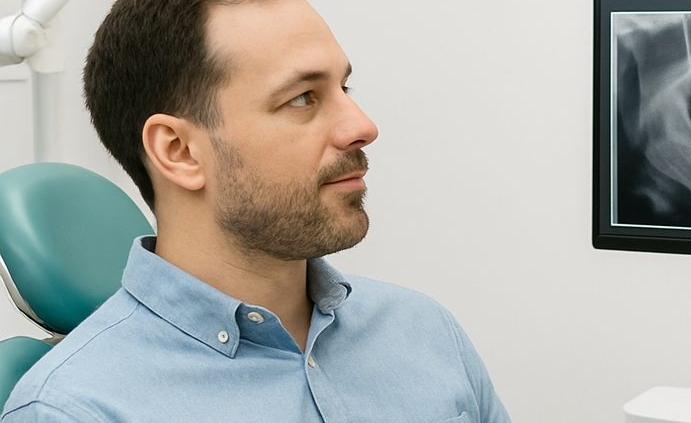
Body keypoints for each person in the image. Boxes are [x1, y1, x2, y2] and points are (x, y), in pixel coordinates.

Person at [0, 0, 510, 422]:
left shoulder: (423, 329)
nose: (362, 125)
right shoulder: (74, 410)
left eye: (344, 88)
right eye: (303, 98)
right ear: (179, 151)